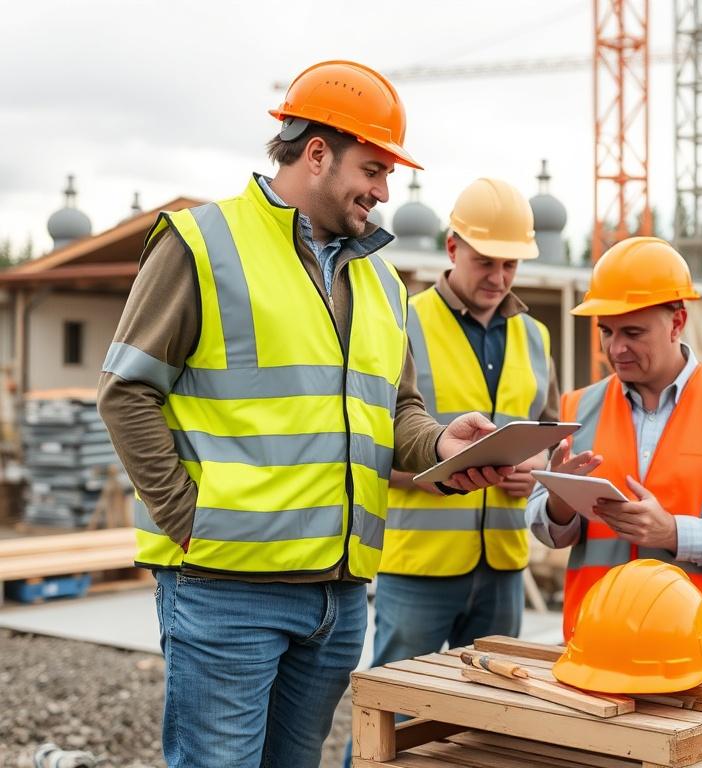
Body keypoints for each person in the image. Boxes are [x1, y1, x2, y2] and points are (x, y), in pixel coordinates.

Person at [97, 60, 512, 768]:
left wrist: (444, 439)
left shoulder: (380, 280)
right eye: (374, 170)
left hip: (339, 597)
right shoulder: (202, 243)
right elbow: (127, 391)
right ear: (316, 151)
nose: (384, 193)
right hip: (226, 589)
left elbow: (398, 411)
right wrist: (187, 518)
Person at [526, 236, 702, 768]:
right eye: (607, 332)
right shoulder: (579, 408)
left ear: (677, 322)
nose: (616, 348)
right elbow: (543, 524)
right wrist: (560, 502)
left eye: (633, 332)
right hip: (600, 655)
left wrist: (674, 533)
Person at [342, 177, 560, 766]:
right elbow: (368, 439)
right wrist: (436, 471)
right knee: (390, 710)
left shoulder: (535, 337)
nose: (499, 277)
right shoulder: (401, 322)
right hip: (419, 564)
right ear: (452, 247)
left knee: (490, 722)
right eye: (487, 261)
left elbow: (551, 435)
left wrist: (536, 466)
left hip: (503, 565)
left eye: (511, 265)